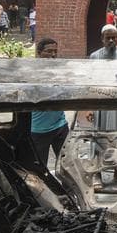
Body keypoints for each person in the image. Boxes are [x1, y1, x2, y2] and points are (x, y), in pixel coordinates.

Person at [29, 38, 70, 170]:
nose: (53, 55)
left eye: (55, 52)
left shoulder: (60, 71)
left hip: (60, 125)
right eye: (49, 51)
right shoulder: (30, 73)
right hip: (39, 129)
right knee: (40, 170)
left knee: (67, 166)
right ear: (39, 53)